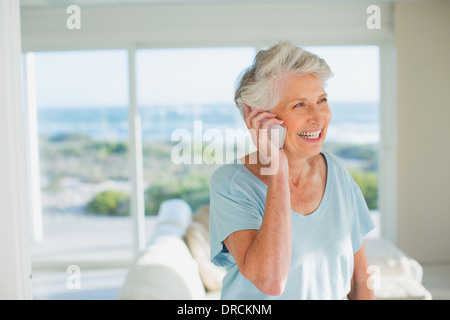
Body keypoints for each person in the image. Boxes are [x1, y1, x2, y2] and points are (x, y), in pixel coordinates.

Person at [209, 40, 375, 300]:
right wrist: (277, 171)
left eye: (321, 100)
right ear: (260, 117)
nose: (319, 118)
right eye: (299, 105)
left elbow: (361, 282)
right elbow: (271, 281)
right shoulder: (231, 183)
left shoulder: (337, 173)